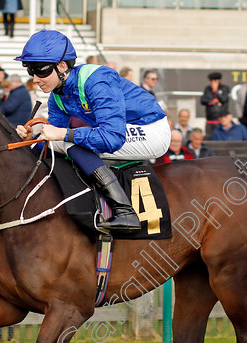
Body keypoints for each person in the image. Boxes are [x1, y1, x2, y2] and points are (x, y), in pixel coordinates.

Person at [14, 30, 169, 231]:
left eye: (41, 70)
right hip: (118, 130)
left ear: (62, 66)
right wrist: (32, 138)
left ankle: (125, 211)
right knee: (60, 142)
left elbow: (112, 138)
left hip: (150, 129)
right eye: (30, 70)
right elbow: (54, 139)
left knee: (68, 140)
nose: (35, 78)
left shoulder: (97, 80)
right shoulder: (57, 96)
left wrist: (63, 134)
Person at [200, 72, 229, 138]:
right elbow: (202, 100)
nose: (212, 83)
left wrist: (215, 90)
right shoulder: (207, 89)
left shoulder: (224, 88)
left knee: (220, 138)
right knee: (209, 137)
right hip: (209, 120)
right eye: (211, 81)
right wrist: (212, 101)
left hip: (220, 121)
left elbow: (224, 99)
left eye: (214, 81)